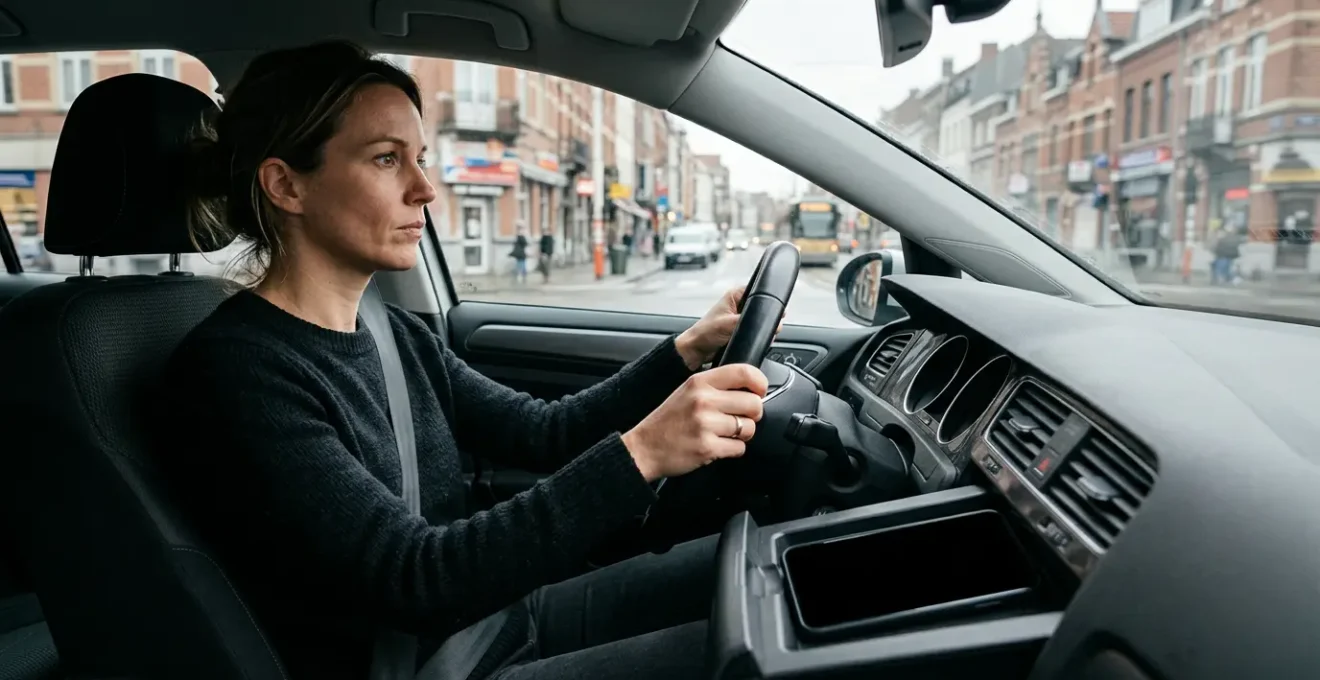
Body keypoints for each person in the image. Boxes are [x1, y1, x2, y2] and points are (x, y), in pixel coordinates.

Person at [159, 41, 770, 680]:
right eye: (386, 158)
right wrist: (642, 453)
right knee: (755, 663)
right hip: (423, 666)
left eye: (420, 158)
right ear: (286, 184)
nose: (425, 189)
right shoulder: (237, 373)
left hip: (493, 623)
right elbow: (416, 577)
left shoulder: (394, 332)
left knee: (754, 580)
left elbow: (545, 431)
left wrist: (686, 350)